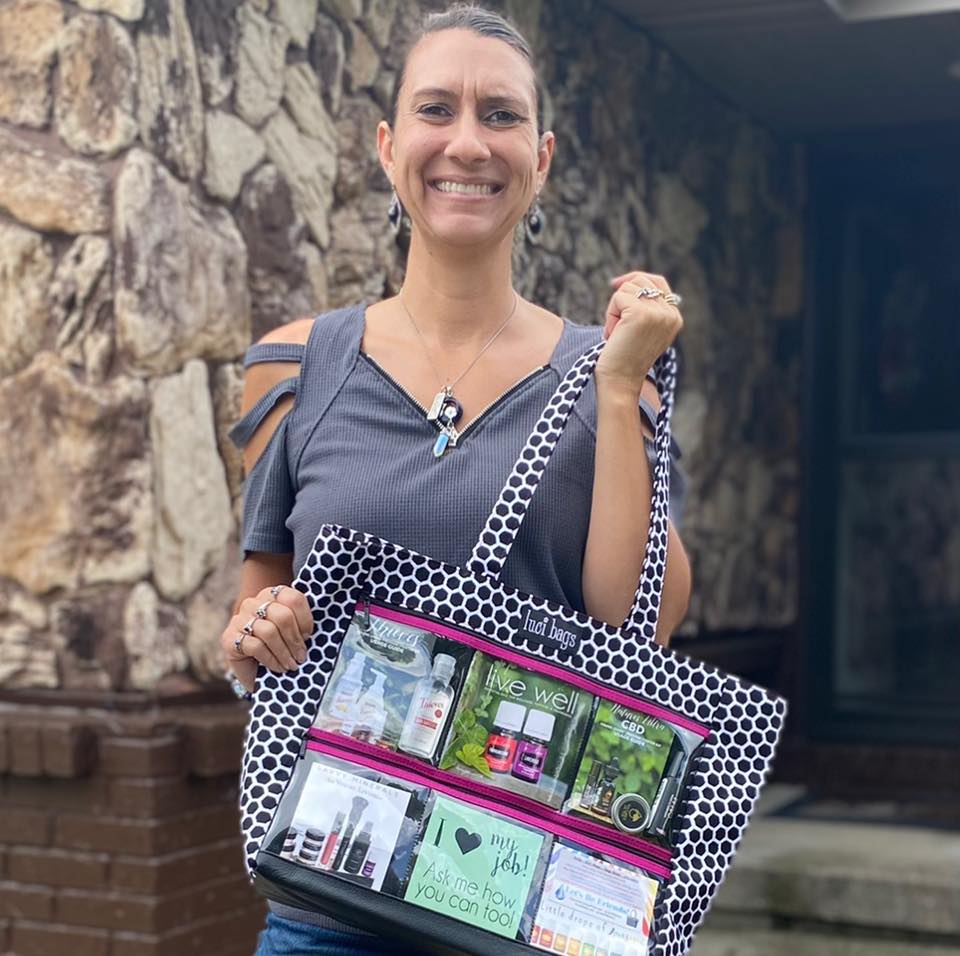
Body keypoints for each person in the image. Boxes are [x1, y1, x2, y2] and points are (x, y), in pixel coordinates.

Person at [219, 5, 691, 954]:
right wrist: (250, 637)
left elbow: (635, 621)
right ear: (389, 148)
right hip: (331, 898)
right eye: (437, 109)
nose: (467, 142)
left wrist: (616, 388)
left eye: (502, 115)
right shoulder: (296, 365)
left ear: (543, 156)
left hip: (527, 905)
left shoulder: (606, 368)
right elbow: (255, 626)